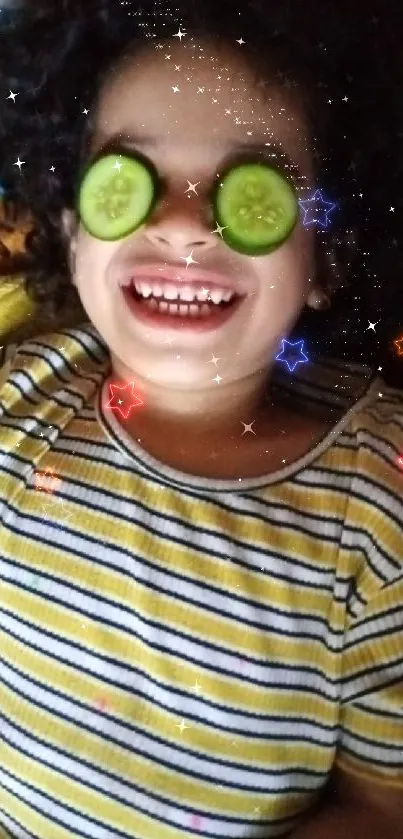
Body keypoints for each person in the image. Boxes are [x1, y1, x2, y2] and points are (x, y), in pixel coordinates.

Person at [0, 1, 402, 837]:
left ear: (326, 257)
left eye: (250, 193)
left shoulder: (378, 508)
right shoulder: (18, 391)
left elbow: (381, 802)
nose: (182, 224)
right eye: (127, 181)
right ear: (73, 233)